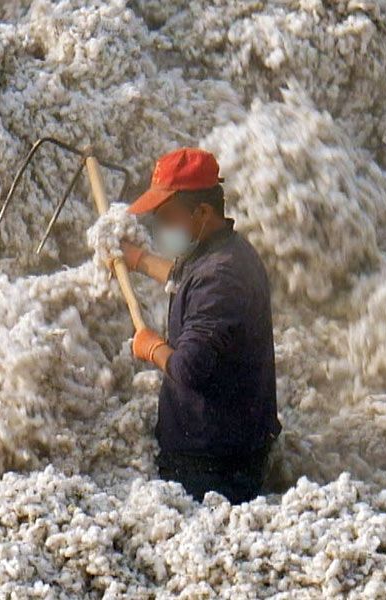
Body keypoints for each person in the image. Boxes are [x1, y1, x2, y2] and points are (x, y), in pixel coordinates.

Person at [119, 147, 281, 504]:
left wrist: (151, 347)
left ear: (203, 212)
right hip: (225, 447)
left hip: (213, 466)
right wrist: (139, 260)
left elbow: (188, 367)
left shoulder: (222, 277)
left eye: (168, 218)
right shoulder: (224, 252)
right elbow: (188, 279)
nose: (161, 227)